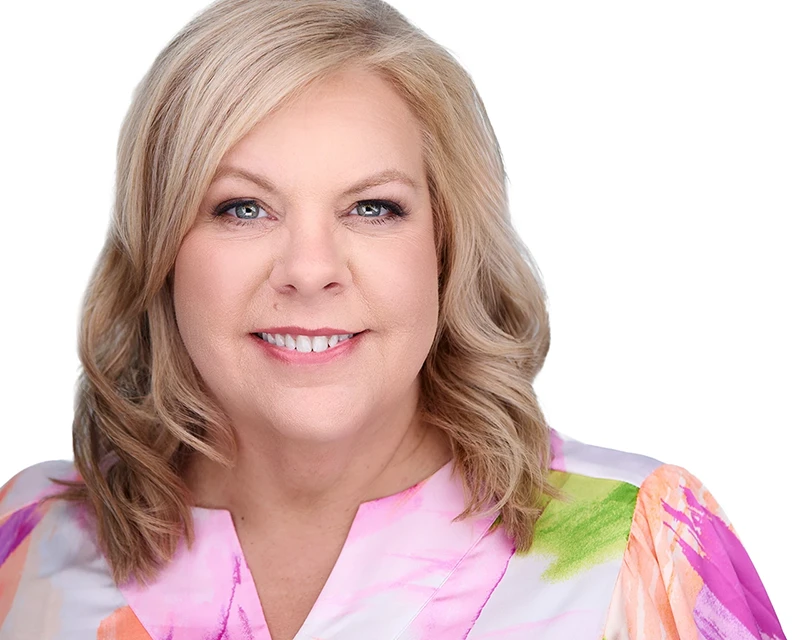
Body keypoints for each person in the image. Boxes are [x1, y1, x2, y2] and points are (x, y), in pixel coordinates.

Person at [0, 0, 786, 638]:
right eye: (243, 208)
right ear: (162, 248)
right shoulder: (30, 546)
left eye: (373, 208)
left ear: (446, 244)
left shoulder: (636, 546)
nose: (310, 269)